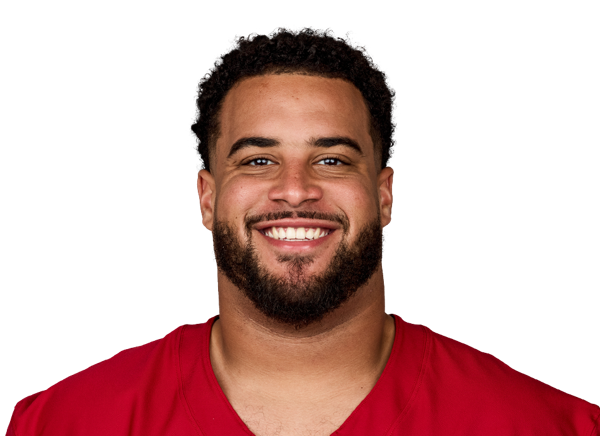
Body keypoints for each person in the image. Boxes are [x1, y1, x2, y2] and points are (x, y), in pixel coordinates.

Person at [6, 27, 599, 436]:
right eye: (258, 160)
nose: (295, 189)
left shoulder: (550, 425)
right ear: (207, 198)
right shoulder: (60, 423)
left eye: (332, 160)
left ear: (385, 196)